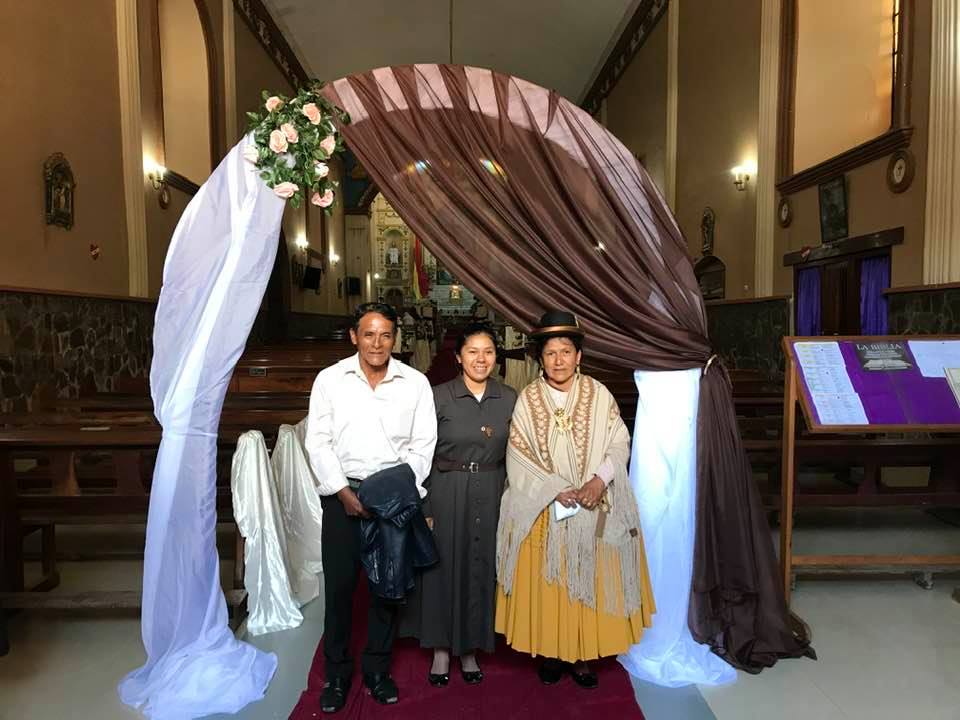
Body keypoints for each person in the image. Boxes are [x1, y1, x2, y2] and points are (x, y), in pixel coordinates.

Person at [495, 310, 655, 689]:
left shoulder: (599, 394)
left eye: (566, 352)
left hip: (592, 503)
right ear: (541, 358)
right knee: (551, 581)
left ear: (578, 355)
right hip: (548, 508)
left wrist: (599, 481)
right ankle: (553, 652)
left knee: (590, 577)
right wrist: (554, 489)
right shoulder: (529, 399)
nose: (559, 361)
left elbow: (619, 441)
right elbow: (518, 453)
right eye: (551, 353)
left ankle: (582, 655)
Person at [304, 302, 437, 713]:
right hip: (342, 497)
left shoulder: (415, 384)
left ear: (395, 338)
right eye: (368, 334)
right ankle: (337, 675)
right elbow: (318, 441)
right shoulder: (330, 380)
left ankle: (378, 670)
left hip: (392, 503)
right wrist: (343, 491)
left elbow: (423, 446)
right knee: (340, 591)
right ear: (354, 337)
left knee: (387, 591)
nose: (377, 343)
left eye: (385, 335)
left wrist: (393, 495)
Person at [400, 322, 517, 686]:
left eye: (488, 352)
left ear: (496, 357)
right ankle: (439, 648)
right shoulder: (438, 396)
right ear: (458, 356)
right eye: (472, 351)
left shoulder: (509, 397)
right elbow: (419, 453)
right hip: (446, 489)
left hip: (493, 488)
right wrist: (425, 507)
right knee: (442, 567)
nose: (481, 359)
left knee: (481, 566)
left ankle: (470, 648)